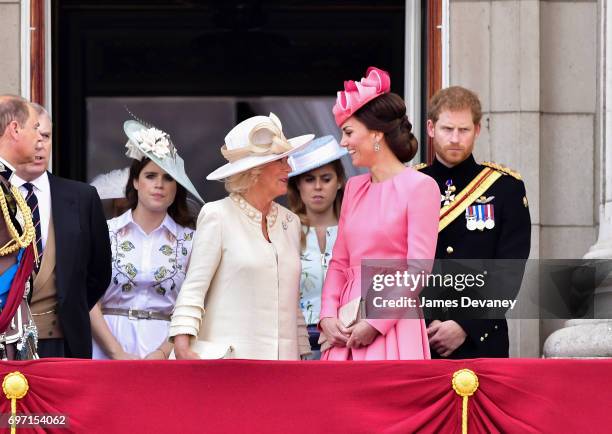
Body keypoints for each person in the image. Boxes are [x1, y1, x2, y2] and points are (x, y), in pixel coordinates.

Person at [318, 67, 440, 360]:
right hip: (345, 326)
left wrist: (376, 322)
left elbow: (418, 269)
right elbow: (339, 262)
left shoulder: (420, 186)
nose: (343, 143)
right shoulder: (354, 188)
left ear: (376, 134)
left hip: (393, 325)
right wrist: (327, 316)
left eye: (348, 132)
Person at [170, 113, 312, 360]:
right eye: (280, 161)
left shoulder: (291, 222)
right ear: (254, 170)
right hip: (230, 365)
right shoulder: (218, 215)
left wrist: (302, 353)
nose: (289, 168)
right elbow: (194, 287)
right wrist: (182, 346)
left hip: (284, 368)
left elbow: (292, 301)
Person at [419, 86, 531, 358]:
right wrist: (422, 324)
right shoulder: (411, 184)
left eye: (464, 130)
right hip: (418, 338)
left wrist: (465, 324)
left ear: (477, 130)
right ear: (431, 128)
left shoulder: (505, 188)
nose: (455, 138)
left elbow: (509, 271)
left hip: (481, 342)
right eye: (447, 129)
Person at [90, 118, 203, 359]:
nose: (159, 185)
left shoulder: (191, 241)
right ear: (135, 181)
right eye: (151, 176)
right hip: (107, 345)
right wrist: (117, 353)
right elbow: (89, 300)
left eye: (168, 178)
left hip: (166, 351)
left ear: (177, 187)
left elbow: (193, 306)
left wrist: (162, 353)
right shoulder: (105, 232)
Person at [12, 103, 111, 358]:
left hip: (63, 342)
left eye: (45, 136)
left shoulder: (82, 197)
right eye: (32, 136)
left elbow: (98, 272)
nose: (40, 144)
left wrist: (71, 310)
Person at [287, 135, 347, 359]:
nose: (318, 186)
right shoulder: (283, 232)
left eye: (326, 178)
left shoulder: (355, 231)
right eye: (309, 179)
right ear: (298, 185)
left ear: (339, 181)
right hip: (296, 346)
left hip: (346, 341)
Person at [0, 95, 43, 359]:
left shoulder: (8, 184)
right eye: (35, 128)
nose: (40, 137)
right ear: (15, 130)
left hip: (16, 324)